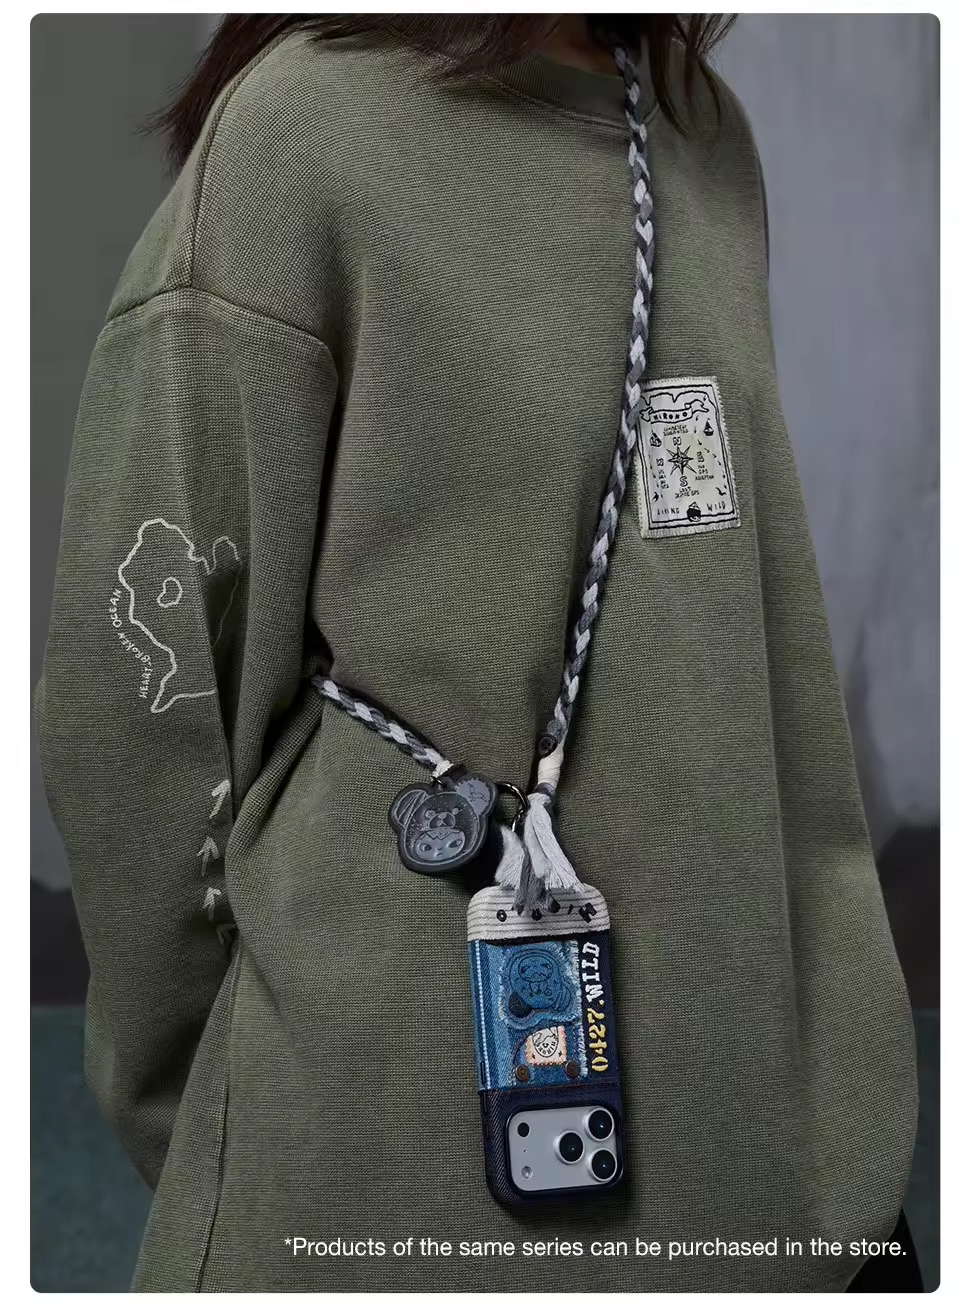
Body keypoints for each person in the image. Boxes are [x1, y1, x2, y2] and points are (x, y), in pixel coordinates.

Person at [35, 14, 920, 1292]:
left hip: (776, 1161)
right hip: (382, 1160)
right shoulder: (300, 137)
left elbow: (742, 639)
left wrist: (824, 1077)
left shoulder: (698, 131)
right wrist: (235, 1116)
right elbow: (142, 709)